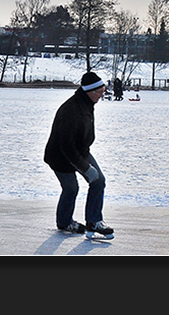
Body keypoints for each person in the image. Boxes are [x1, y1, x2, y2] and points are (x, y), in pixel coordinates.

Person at [44, 72, 114, 240]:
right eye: (100, 92)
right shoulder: (71, 110)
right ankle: (64, 222)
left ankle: (94, 221)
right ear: (90, 91)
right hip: (60, 156)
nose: (103, 95)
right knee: (71, 188)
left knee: (99, 180)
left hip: (80, 151)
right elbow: (66, 146)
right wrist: (84, 168)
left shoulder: (87, 103)